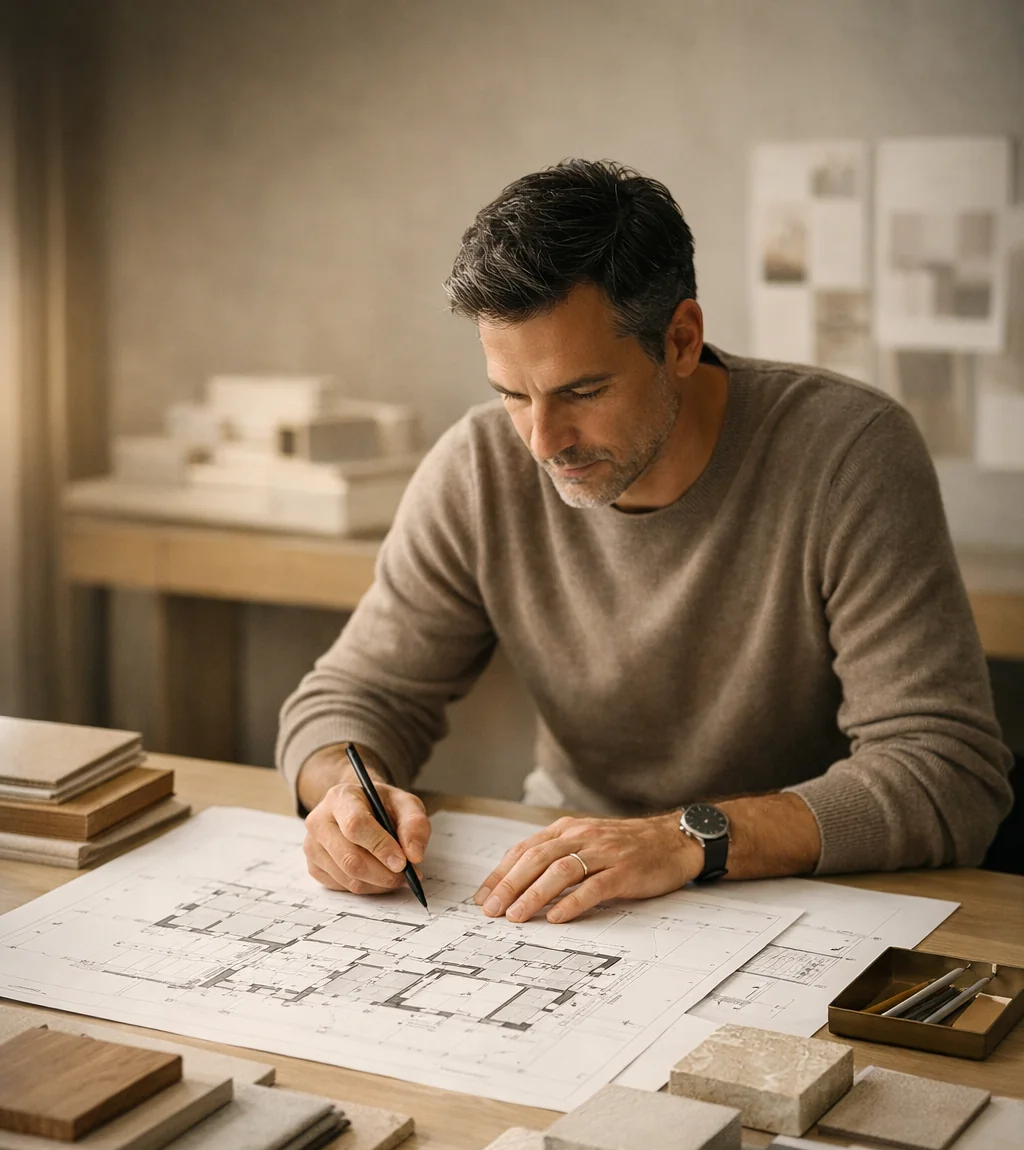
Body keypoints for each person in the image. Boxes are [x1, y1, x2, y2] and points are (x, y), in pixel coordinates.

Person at [277, 159, 1011, 926]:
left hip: (810, 894)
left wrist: (684, 839)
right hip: (573, 891)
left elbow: (948, 775)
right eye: (512, 396)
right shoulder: (478, 465)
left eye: (582, 392)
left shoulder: (850, 453)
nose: (541, 441)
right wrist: (341, 792)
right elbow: (353, 697)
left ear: (682, 340)